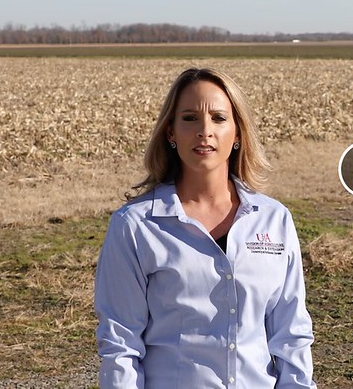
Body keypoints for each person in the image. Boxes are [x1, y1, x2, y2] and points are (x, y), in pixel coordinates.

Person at [94, 68, 316, 388]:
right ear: (170, 132)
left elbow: (291, 334)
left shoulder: (274, 220)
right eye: (189, 118)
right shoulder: (135, 226)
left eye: (218, 118)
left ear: (238, 132)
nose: (204, 131)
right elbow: (121, 347)